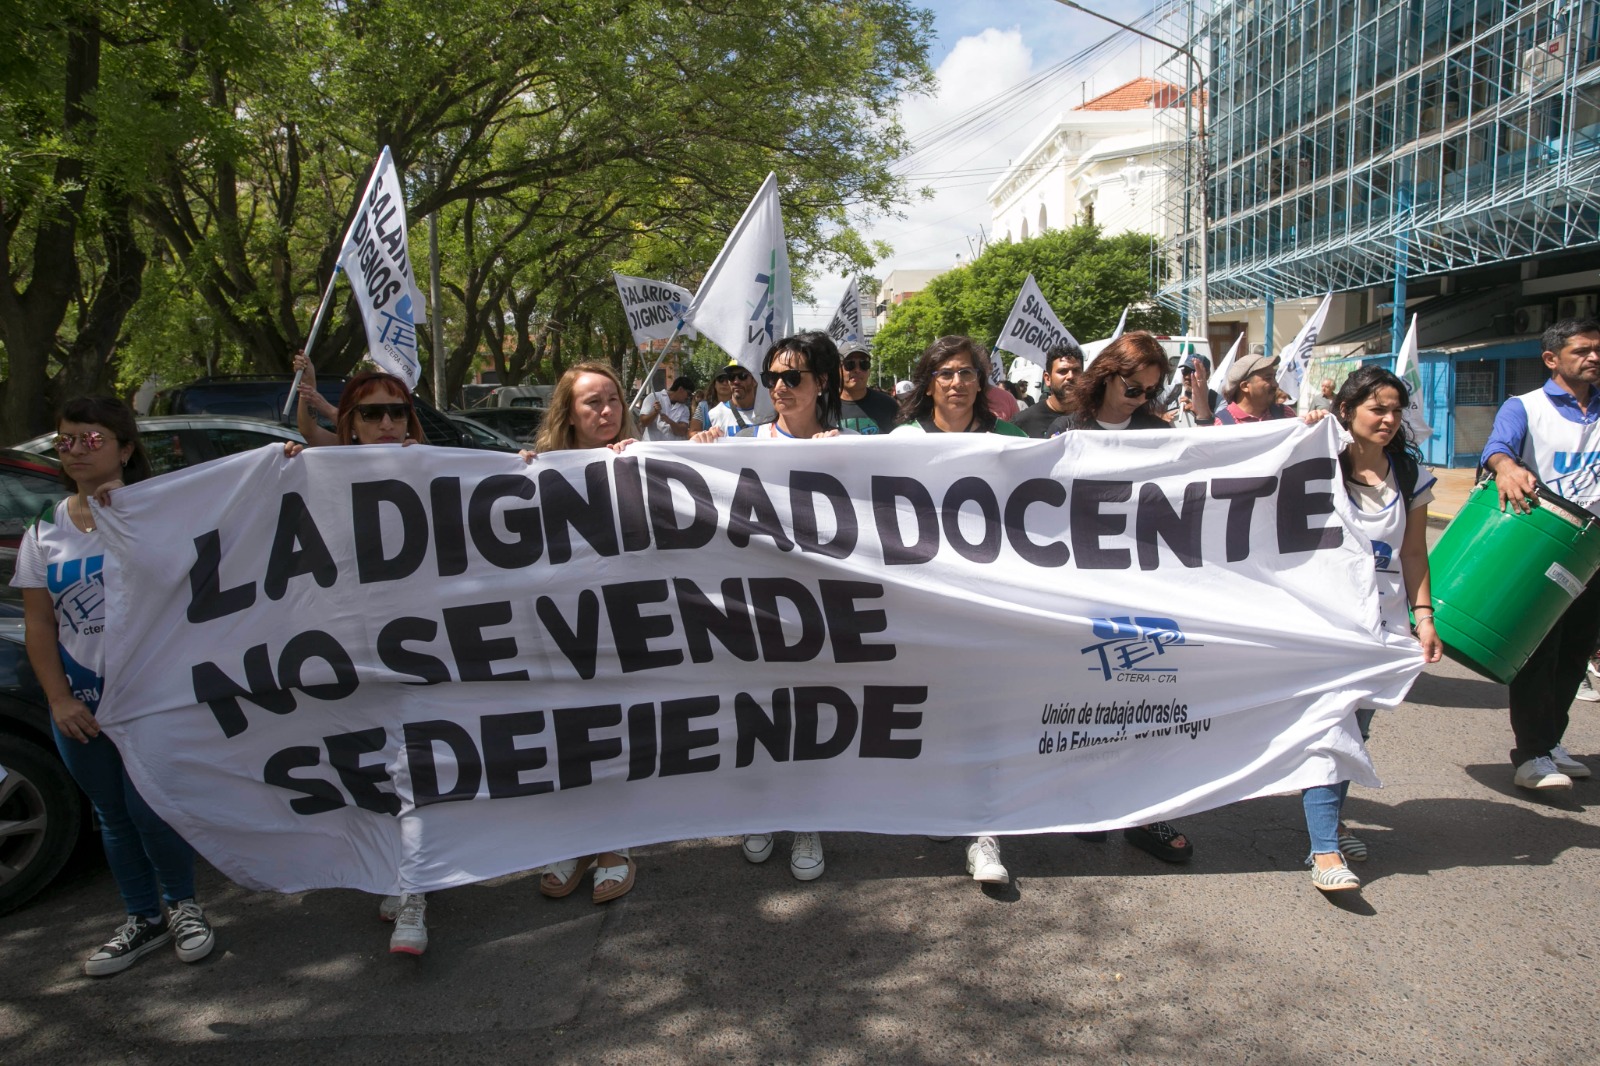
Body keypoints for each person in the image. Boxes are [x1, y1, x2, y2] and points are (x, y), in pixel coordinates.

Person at [14, 397, 216, 976]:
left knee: (150, 806)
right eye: (66, 440)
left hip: (152, 698)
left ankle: (184, 906)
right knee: (112, 814)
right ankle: (142, 918)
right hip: (79, 703)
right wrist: (58, 699)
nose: (76, 449)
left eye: (90, 438)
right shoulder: (42, 531)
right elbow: (39, 624)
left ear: (125, 449)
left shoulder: (159, 516)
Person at [690, 332, 850, 878]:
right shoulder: (743, 440)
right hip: (754, 605)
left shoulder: (848, 447)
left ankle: (806, 817)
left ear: (821, 382)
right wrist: (703, 447)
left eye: (794, 377)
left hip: (820, 607)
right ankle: (760, 808)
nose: (779, 387)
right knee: (757, 709)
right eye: (773, 377)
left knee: (809, 712)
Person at [1045, 333, 1207, 868]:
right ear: (1107, 373)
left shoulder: (1158, 435)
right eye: (1132, 387)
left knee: (1145, 701)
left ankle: (1144, 813)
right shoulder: (1066, 430)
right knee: (1083, 702)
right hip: (1079, 590)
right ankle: (1090, 800)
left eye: (1149, 392)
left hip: (1142, 591)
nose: (1139, 398)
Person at [1302, 366, 1443, 893]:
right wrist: (1306, 429)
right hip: (1325, 623)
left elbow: (1413, 552)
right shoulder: (1316, 461)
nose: (1387, 419)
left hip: (1380, 625)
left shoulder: (1407, 474)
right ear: (1346, 411)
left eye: (1395, 410)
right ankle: (1325, 851)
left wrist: (1423, 617)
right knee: (1331, 729)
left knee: (1355, 731)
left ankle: (1329, 822)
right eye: (1376, 409)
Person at [523, 362, 643, 901]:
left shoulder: (645, 458)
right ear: (568, 413)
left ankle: (615, 843)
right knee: (564, 733)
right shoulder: (536, 468)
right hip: (559, 626)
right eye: (592, 402)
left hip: (624, 624)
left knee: (615, 731)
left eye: (612, 399)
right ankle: (569, 840)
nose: (605, 411)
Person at [1480, 317, 1600, 790]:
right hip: (1544, 549)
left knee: (1575, 653)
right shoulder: (1524, 407)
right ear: (1552, 359)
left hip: (1593, 551)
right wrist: (1506, 466)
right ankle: (1530, 755)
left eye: (1597, 349)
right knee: (1540, 652)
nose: (1593, 357)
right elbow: (1497, 449)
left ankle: (1550, 741)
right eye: (1582, 350)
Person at [891, 336, 1029, 439]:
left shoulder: (1012, 438)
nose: (957, 382)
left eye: (966, 373)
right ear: (928, 387)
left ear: (979, 383)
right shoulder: (903, 440)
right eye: (945, 374)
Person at [1011, 342, 1084, 438]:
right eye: (1063, 371)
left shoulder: (1094, 416)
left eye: (1076, 371)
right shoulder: (1021, 423)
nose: (1070, 376)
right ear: (1047, 379)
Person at [1214, 354, 1297, 424]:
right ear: (1245, 386)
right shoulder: (1222, 424)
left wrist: (1308, 423)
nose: (1275, 384)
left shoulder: (1285, 415)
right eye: (1268, 378)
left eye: (1274, 377)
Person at [837, 344, 899, 434]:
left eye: (864, 364)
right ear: (838, 369)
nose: (857, 370)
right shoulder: (823, 407)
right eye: (850, 364)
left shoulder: (889, 405)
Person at [707, 362, 765, 433]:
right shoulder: (715, 414)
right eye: (731, 376)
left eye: (742, 376)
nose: (736, 381)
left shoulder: (768, 415)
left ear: (755, 380)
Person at [638, 375, 693, 441]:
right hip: (652, 446)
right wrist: (655, 412)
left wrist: (670, 422)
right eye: (689, 394)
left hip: (673, 449)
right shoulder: (653, 397)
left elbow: (682, 431)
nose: (689, 397)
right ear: (680, 389)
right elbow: (643, 422)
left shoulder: (685, 408)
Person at [690, 370, 736, 434]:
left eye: (728, 379)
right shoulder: (703, 407)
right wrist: (709, 435)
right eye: (721, 379)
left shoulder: (741, 407)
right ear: (714, 384)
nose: (724, 383)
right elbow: (692, 432)